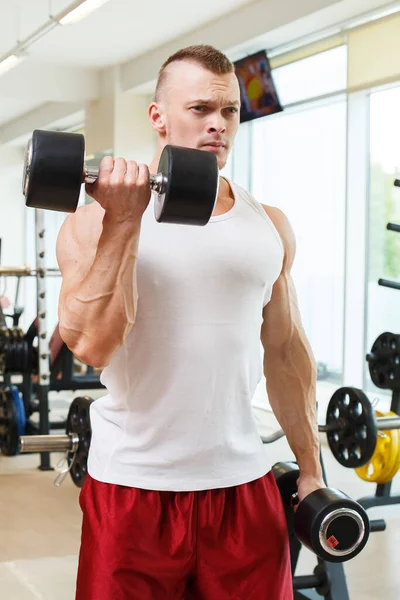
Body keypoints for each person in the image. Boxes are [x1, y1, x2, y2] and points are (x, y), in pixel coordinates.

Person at [56, 44, 324, 600]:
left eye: (229, 112)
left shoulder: (267, 224)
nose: (217, 125)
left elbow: (285, 352)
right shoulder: (92, 221)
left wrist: (311, 465)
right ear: (158, 116)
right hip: (134, 488)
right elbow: (92, 345)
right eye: (200, 109)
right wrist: (125, 220)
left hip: (243, 485)